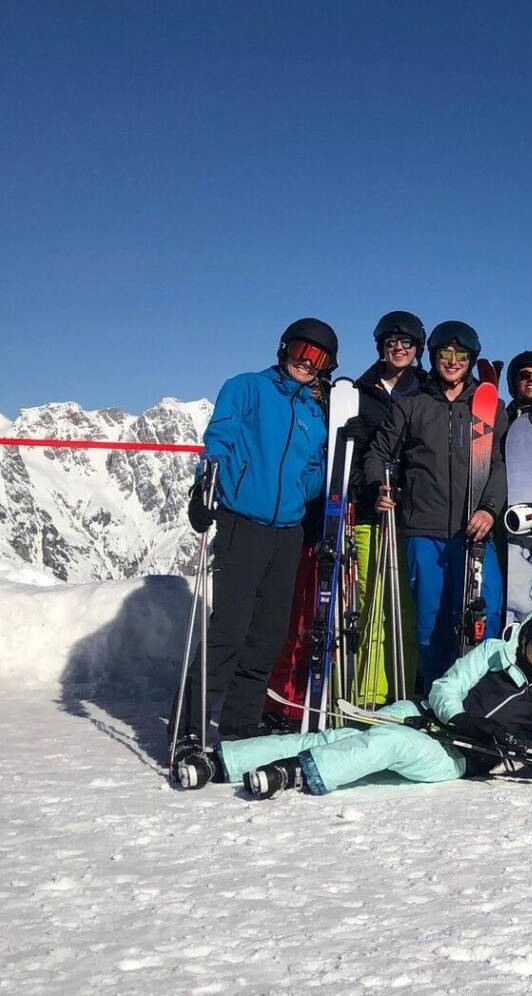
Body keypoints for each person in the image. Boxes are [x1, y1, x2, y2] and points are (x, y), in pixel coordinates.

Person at [221, 600, 532, 798]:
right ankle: (227, 762)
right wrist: (462, 719)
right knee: (337, 736)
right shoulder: (494, 653)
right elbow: (445, 688)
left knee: (389, 743)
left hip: (454, 756)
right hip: (425, 716)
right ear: (526, 636)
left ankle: (296, 772)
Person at [178, 318, 334, 754]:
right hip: (242, 523)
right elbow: (221, 438)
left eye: (318, 358)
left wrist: (305, 493)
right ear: (285, 349)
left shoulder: (312, 412)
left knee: (268, 634)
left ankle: (239, 725)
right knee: (228, 629)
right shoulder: (247, 387)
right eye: (302, 351)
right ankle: (189, 727)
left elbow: (313, 467)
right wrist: (205, 487)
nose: (307, 362)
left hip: (287, 531)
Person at [364, 320, 510, 691]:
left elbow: (499, 465)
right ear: (433, 356)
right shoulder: (411, 405)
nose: (453, 360)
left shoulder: (489, 407)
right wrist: (378, 487)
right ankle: (435, 697)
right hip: (423, 530)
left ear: (471, 358)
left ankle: (480, 696)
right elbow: (378, 453)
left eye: (461, 354)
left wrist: (489, 509)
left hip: (474, 531)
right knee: (431, 621)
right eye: (445, 353)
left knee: (484, 615)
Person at [347, 311, 428, 704]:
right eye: (392, 342)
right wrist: (368, 492)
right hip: (370, 514)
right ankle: (371, 695)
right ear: (381, 346)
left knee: (407, 610)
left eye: (407, 343)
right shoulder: (360, 393)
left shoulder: (427, 391)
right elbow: (352, 456)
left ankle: (405, 691)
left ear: (417, 349)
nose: (399, 349)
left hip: (413, 517)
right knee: (373, 608)